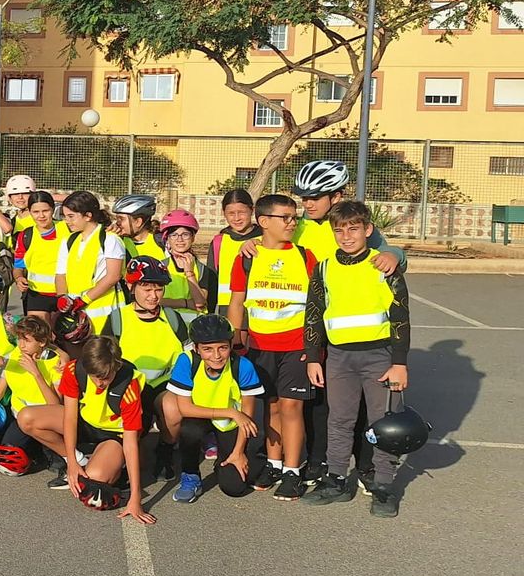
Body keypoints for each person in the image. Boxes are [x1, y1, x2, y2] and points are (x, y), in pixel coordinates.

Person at [301, 200, 412, 517]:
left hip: (380, 357)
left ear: (368, 230)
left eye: (353, 229)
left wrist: (399, 362)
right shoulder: (323, 267)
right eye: (339, 230)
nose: (346, 236)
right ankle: (336, 479)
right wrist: (312, 357)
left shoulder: (384, 265)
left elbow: (400, 317)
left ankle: (383, 486)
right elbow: (314, 315)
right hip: (338, 357)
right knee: (339, 421)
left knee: (384, 424)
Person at [227, 192, 318, 500]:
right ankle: (275, 463)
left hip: (296, 346)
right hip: (258, 346)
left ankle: (293, 471)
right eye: (286, 218)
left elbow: (316, 306)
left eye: (295, 217)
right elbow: (236, 302)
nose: (292, 223)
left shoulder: (306, 257)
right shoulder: (247, 258)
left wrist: (314, 346)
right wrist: (235, 340)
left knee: (293, 407)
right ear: (264, 221)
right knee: (272, 407)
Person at [20, 335, 155, 523]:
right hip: (86, 422)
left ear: (116, 366)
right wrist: (72, 463)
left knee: (95, 479)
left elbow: (130, 442)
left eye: (105, 377)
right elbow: (70, 417)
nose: (99, 383)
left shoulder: (129, 386)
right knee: (26, 418)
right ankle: (78, 459)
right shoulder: (75, 369)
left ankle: (114, 464)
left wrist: (135, 498)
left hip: (114, 434)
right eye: (94, 377)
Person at [161, 314, 263, 503]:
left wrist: (238, 452)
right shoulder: (187, 361)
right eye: (207, 349)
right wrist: (231, 412)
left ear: (231, 346)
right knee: (189, 430)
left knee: (234, 487)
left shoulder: (243, 366)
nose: (216, 356)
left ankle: (223, 459)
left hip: (229, 425)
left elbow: (247, 417)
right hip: (200, 415)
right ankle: (190, 474)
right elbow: (184, 408)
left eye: (222, 348)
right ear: (196, 348)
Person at [102, 259, 189, 478]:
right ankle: (123, 456)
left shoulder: (172, 318)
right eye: (146, 288)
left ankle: (165, 451)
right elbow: (104, 358)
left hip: (163, 385)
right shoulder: (117, 318)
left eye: (159, 289)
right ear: (132, 288)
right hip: (129, 386)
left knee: (173, 409)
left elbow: (189, 353)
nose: (153, 295)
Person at [290, 160, 404, 275]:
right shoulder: (292, 225)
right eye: (304, 198)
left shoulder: (352, 223)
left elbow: (382, 249)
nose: (308, 205)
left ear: (335, 197)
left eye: (315, 199)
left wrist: (393, 255)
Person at [0, 316, 63, 475]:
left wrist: (36, 374)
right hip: (21, 418)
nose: (21, 345)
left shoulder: (55, 362)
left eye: (26, 340)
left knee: (56, 464)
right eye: (19, 339)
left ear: (41, 342)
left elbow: (56, 405)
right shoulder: (13, 356)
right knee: (8, 455)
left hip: (46, 420)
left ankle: (54, 451)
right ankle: (35, 449)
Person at [55, 190, 125, 333]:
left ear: (88, 216)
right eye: (65, 216)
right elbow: (60, 274)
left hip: (106, 314)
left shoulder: (110, 239)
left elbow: (113, 276)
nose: (66, 221)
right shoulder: (68, 241)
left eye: (71, 216)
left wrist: (84, 300)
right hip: (76, 316)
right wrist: (63, 297)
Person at [11, 190, 68, 325]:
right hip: (36, 295)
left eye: (45, 210)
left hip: (65, 294)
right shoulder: (26, 235)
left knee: (63, 341)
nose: (41, 216)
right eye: (36, 212)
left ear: (53, 210)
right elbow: (18, 267)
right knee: (38, 339)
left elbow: (80, 202)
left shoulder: (68, 229)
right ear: (30, 212)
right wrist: (19, 278)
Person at [202, 189, 259, 314]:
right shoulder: (219, 242)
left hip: (259, 309)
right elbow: (212, 282)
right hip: (227, 310)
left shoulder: (266, 238)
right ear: (224, 213)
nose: (237, 218)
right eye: (231, 213)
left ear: (252, 210)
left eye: (242, 212)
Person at [159, 209, 208, 312]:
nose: (180, 239)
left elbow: (199, 302)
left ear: (193, 237)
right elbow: (153, 301)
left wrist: (189, 272)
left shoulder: (202, 269)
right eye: (174, 235)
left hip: (194, 327)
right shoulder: (160, 266)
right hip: (168, 325)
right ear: (167, 238)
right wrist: (185, 303)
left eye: (185, 234)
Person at [113, 194, 165, 261]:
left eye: (121, 219)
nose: (117, 223)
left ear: (138, 222)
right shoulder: (118, 243)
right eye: (117, 219)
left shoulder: (161, 243)